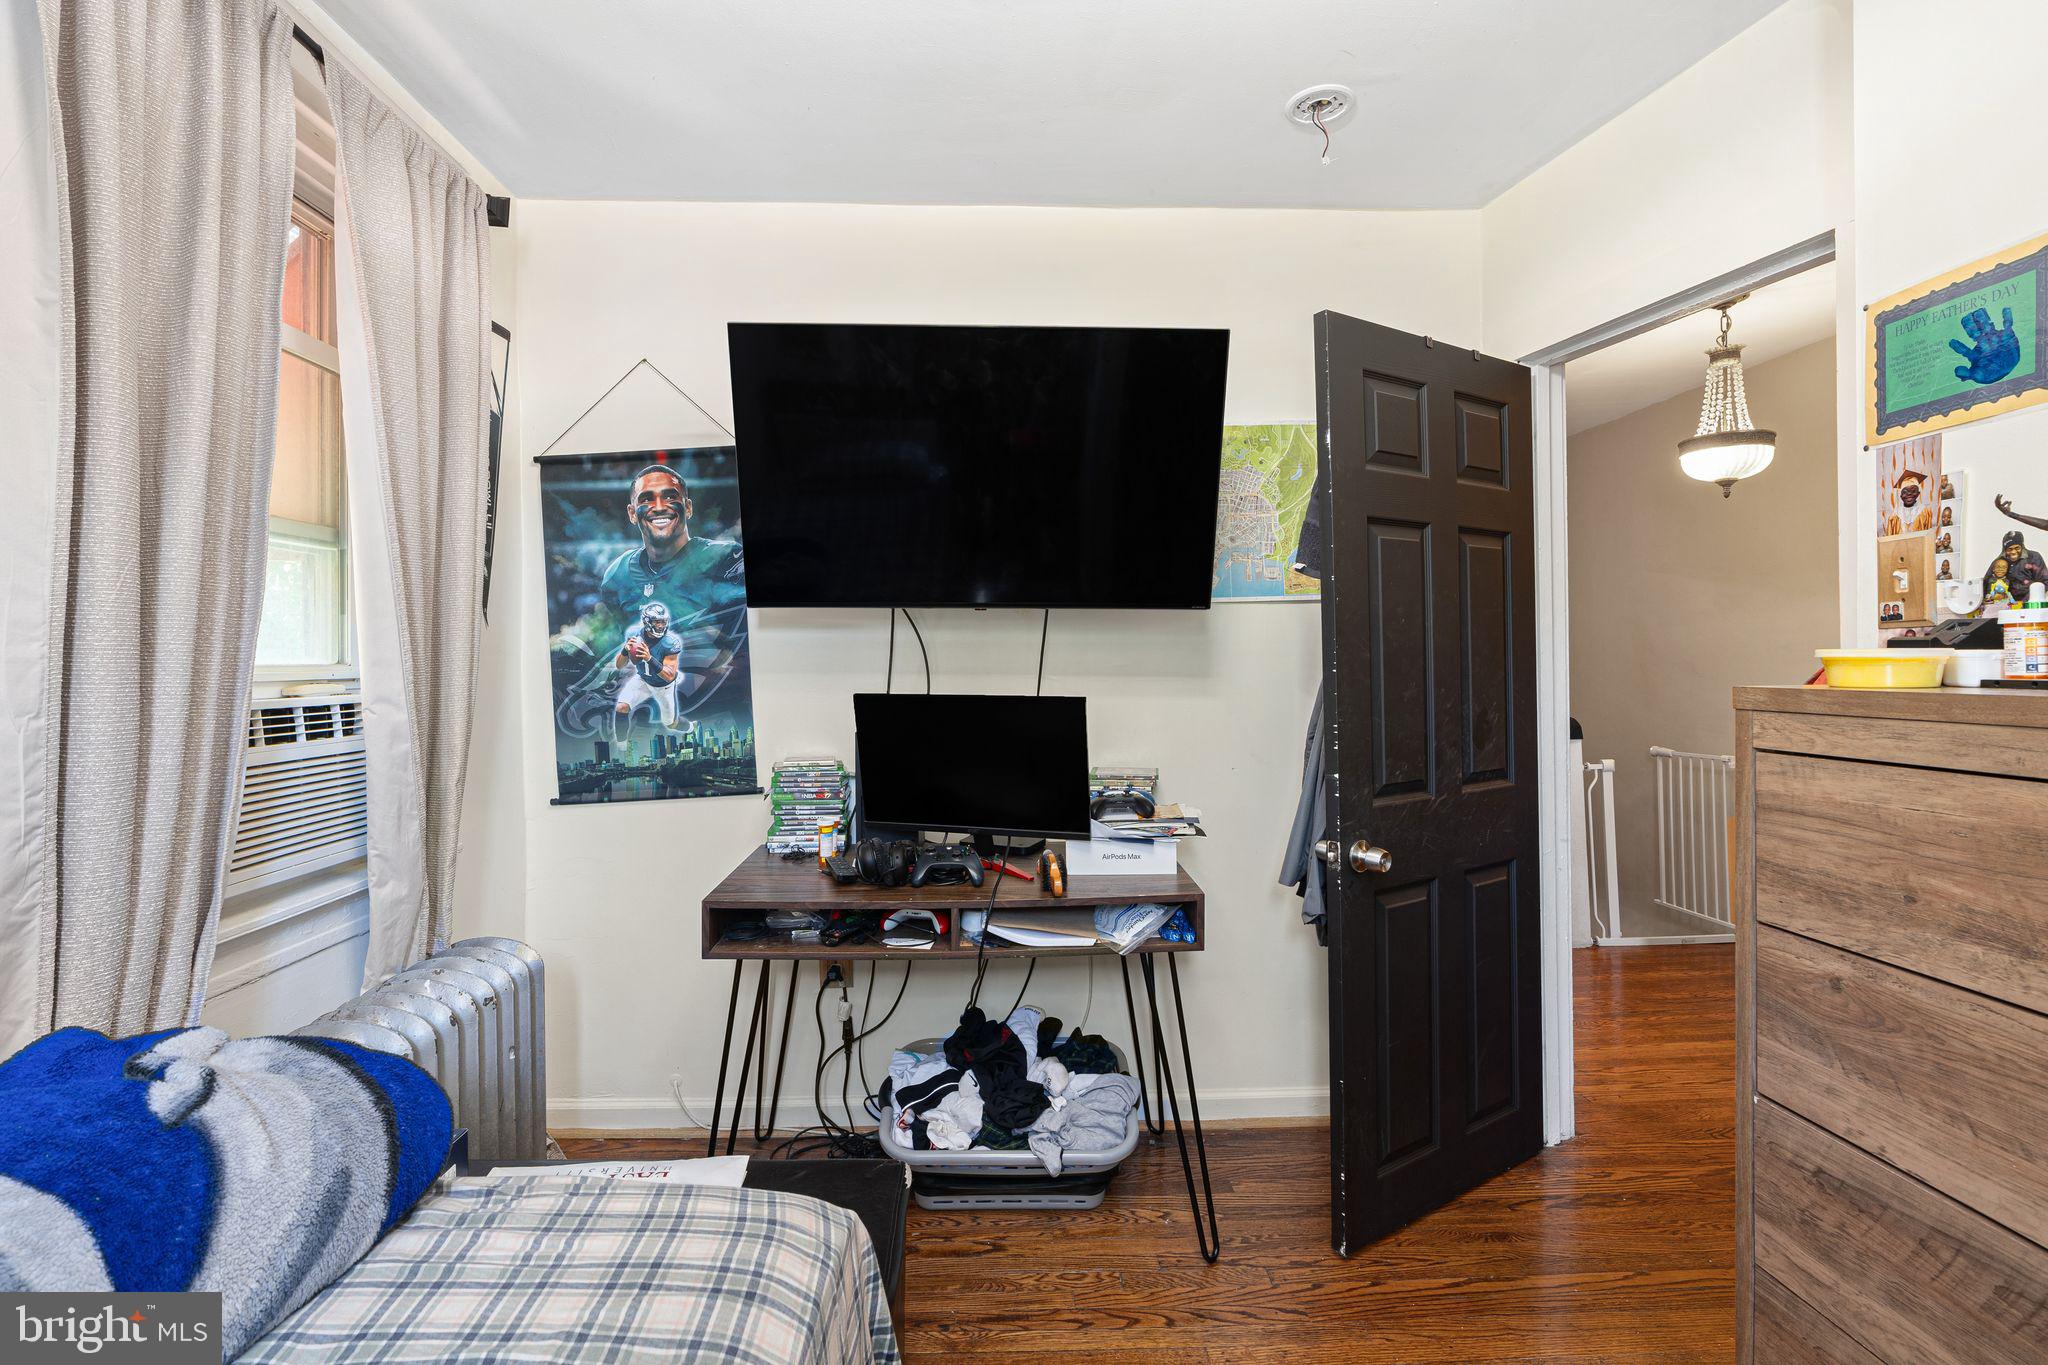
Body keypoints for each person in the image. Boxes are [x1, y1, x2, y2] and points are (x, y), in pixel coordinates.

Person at [612, 601, 684, 738]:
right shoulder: (634, 634)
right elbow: (619, 665)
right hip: (643, 679)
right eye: (657, 622)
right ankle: (621, 746)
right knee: (621, 707)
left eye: (663, 622)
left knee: (670, 724)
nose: (661, 625)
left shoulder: (670, 642)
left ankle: (691, 727)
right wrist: (625, 650)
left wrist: (649, 658)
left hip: (664, 686)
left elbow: (669, 676)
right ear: (647, 622)